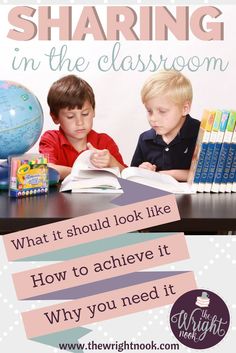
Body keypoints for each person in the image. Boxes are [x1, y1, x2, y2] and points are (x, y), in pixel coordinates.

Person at [39, 75, 126, 179]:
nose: (79, 122)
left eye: (85, 114)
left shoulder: (104, 142)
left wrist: (111, 161)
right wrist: (84, 172)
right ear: (55, 117)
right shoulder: (51, 139)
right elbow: (47, 170)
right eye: (70, 116)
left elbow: (126, 175)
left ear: (93, 111)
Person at [131, 70, 200, 181]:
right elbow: (132, 175)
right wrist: (142, 170)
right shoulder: (145, 139)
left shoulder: (202, 135)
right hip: (157, 197)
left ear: (185, 108)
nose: (153, 118)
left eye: (162, 111)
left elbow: (206, 175)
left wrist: (162, 174)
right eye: (149, 111)